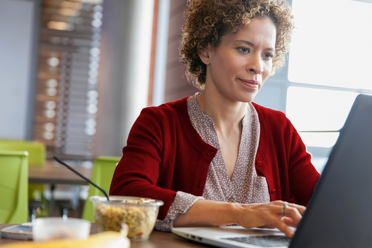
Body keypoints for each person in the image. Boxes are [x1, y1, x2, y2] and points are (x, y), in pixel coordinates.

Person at [110, 0, 320, 237]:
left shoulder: (280, 129)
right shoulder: (158, 122)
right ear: (205, 50)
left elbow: (324, 206)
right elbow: (126, 194)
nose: (258, 67)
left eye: (267, 54)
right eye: (243, 49)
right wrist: (239, 212)